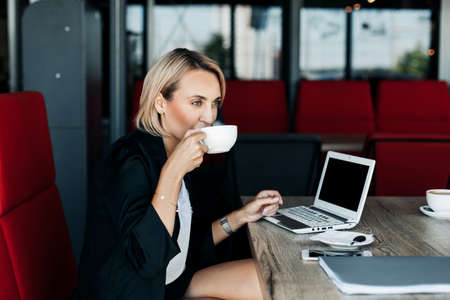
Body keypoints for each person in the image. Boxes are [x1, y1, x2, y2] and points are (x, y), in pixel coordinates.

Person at [75, 48, 283, 300]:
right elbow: (148, 261)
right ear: (161, 103)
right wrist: (172, 173)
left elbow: (183, 246)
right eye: (197, 102)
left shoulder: (177, 151)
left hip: (173, 282)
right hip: (136, 292)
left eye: (215, 103)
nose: (210, 117)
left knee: (273, 279)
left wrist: (241, 217)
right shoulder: (127, 161)